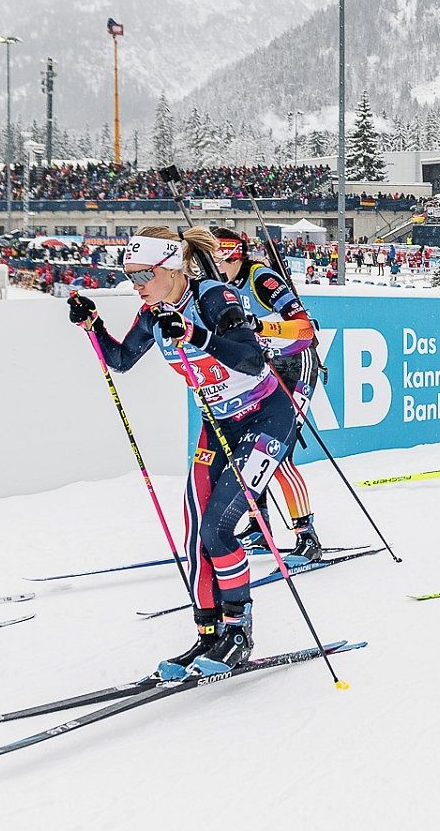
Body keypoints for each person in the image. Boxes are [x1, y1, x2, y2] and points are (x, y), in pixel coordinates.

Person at [68, 226, 296, 678]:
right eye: (129, 277)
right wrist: (91, 324)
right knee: (194, 530)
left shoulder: (215, 299)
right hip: (218, 424)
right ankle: (209, 632)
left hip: (265, 417)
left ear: (172, 268)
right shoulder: (153, 312)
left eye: (144, 276)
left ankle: (238, 631)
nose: (137, 287)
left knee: (218, 527)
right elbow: (120, 360)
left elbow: (251, 359)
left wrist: (195, 333)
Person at [210, 228, 324, 562]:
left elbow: (304, 330)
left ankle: (307, 537)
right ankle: (260, 528)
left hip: (296, 364)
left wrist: (259, 327)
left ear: (235, 253)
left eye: (219, 256)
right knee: (248, 452)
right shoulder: (220, 289)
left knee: (280, 454)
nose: (214, 267)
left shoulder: (261, 279)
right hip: (263, 370)